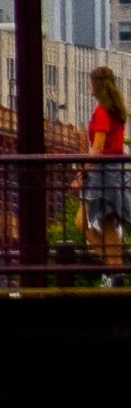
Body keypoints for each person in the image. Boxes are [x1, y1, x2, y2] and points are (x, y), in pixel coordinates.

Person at [88, 65, 127, 271]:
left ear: (98, 85)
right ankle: (115, 269)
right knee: (108, 223)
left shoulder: (102, 112)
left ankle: (115, 269)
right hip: (115, 171)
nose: (89, 87)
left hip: (103, 173)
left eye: (91, 82)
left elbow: (97, 148)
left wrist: (81, 172)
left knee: (85, 222)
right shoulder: (115, 111)